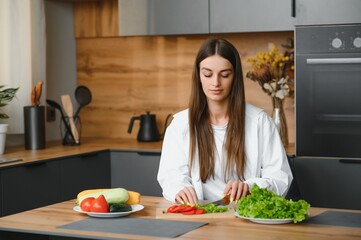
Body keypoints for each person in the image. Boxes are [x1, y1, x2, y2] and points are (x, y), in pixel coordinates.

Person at [157, 38, 293, 205]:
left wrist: (250, 187)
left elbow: (280, 177)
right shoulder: (179, 124)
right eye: (207, 74)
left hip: (244, 217)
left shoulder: (260, 122)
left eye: (225, 75)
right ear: (198, 76)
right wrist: (180, 188)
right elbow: (170, 175)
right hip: (199, 214)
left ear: (235, 76)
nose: (215, 82)